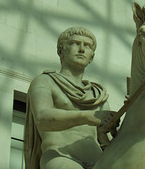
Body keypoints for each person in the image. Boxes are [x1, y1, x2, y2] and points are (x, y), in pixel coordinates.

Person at [24, 27, 117, 169]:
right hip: (61, 157)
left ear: (91, 57)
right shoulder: (45, 81)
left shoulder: (97, 95)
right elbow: (42, 117)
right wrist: (87, 116)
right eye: (75, 43)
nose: (81, 49)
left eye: (87, 46)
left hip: (99, 162)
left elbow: (106, 139)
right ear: (61, 50)